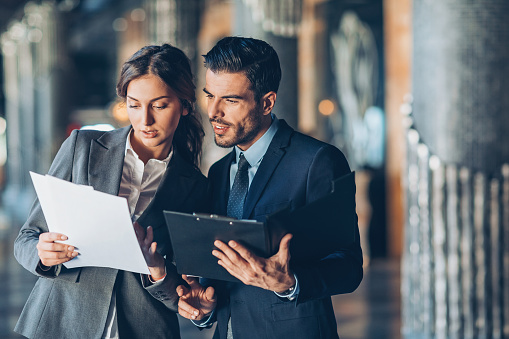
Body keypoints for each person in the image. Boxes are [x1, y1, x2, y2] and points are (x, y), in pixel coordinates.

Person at [13, 44, 208, 339]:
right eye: (134, 104)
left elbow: (181, 294)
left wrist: (158, 268)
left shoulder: (195, 186)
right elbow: (26, 239)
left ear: (184, 104)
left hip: (144, 328)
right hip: (65, 321)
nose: (145, 120)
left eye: (159, 105)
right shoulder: (83, 147)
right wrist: (42, 253)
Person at [176, 36, 363, 338]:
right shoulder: (219, 171)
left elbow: (349, 267)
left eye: (230, 100)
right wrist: (204, 309)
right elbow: (223, 270)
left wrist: (290, 283)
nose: (213, 112)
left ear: (267, 102)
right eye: (210, 96)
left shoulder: (318, 161)